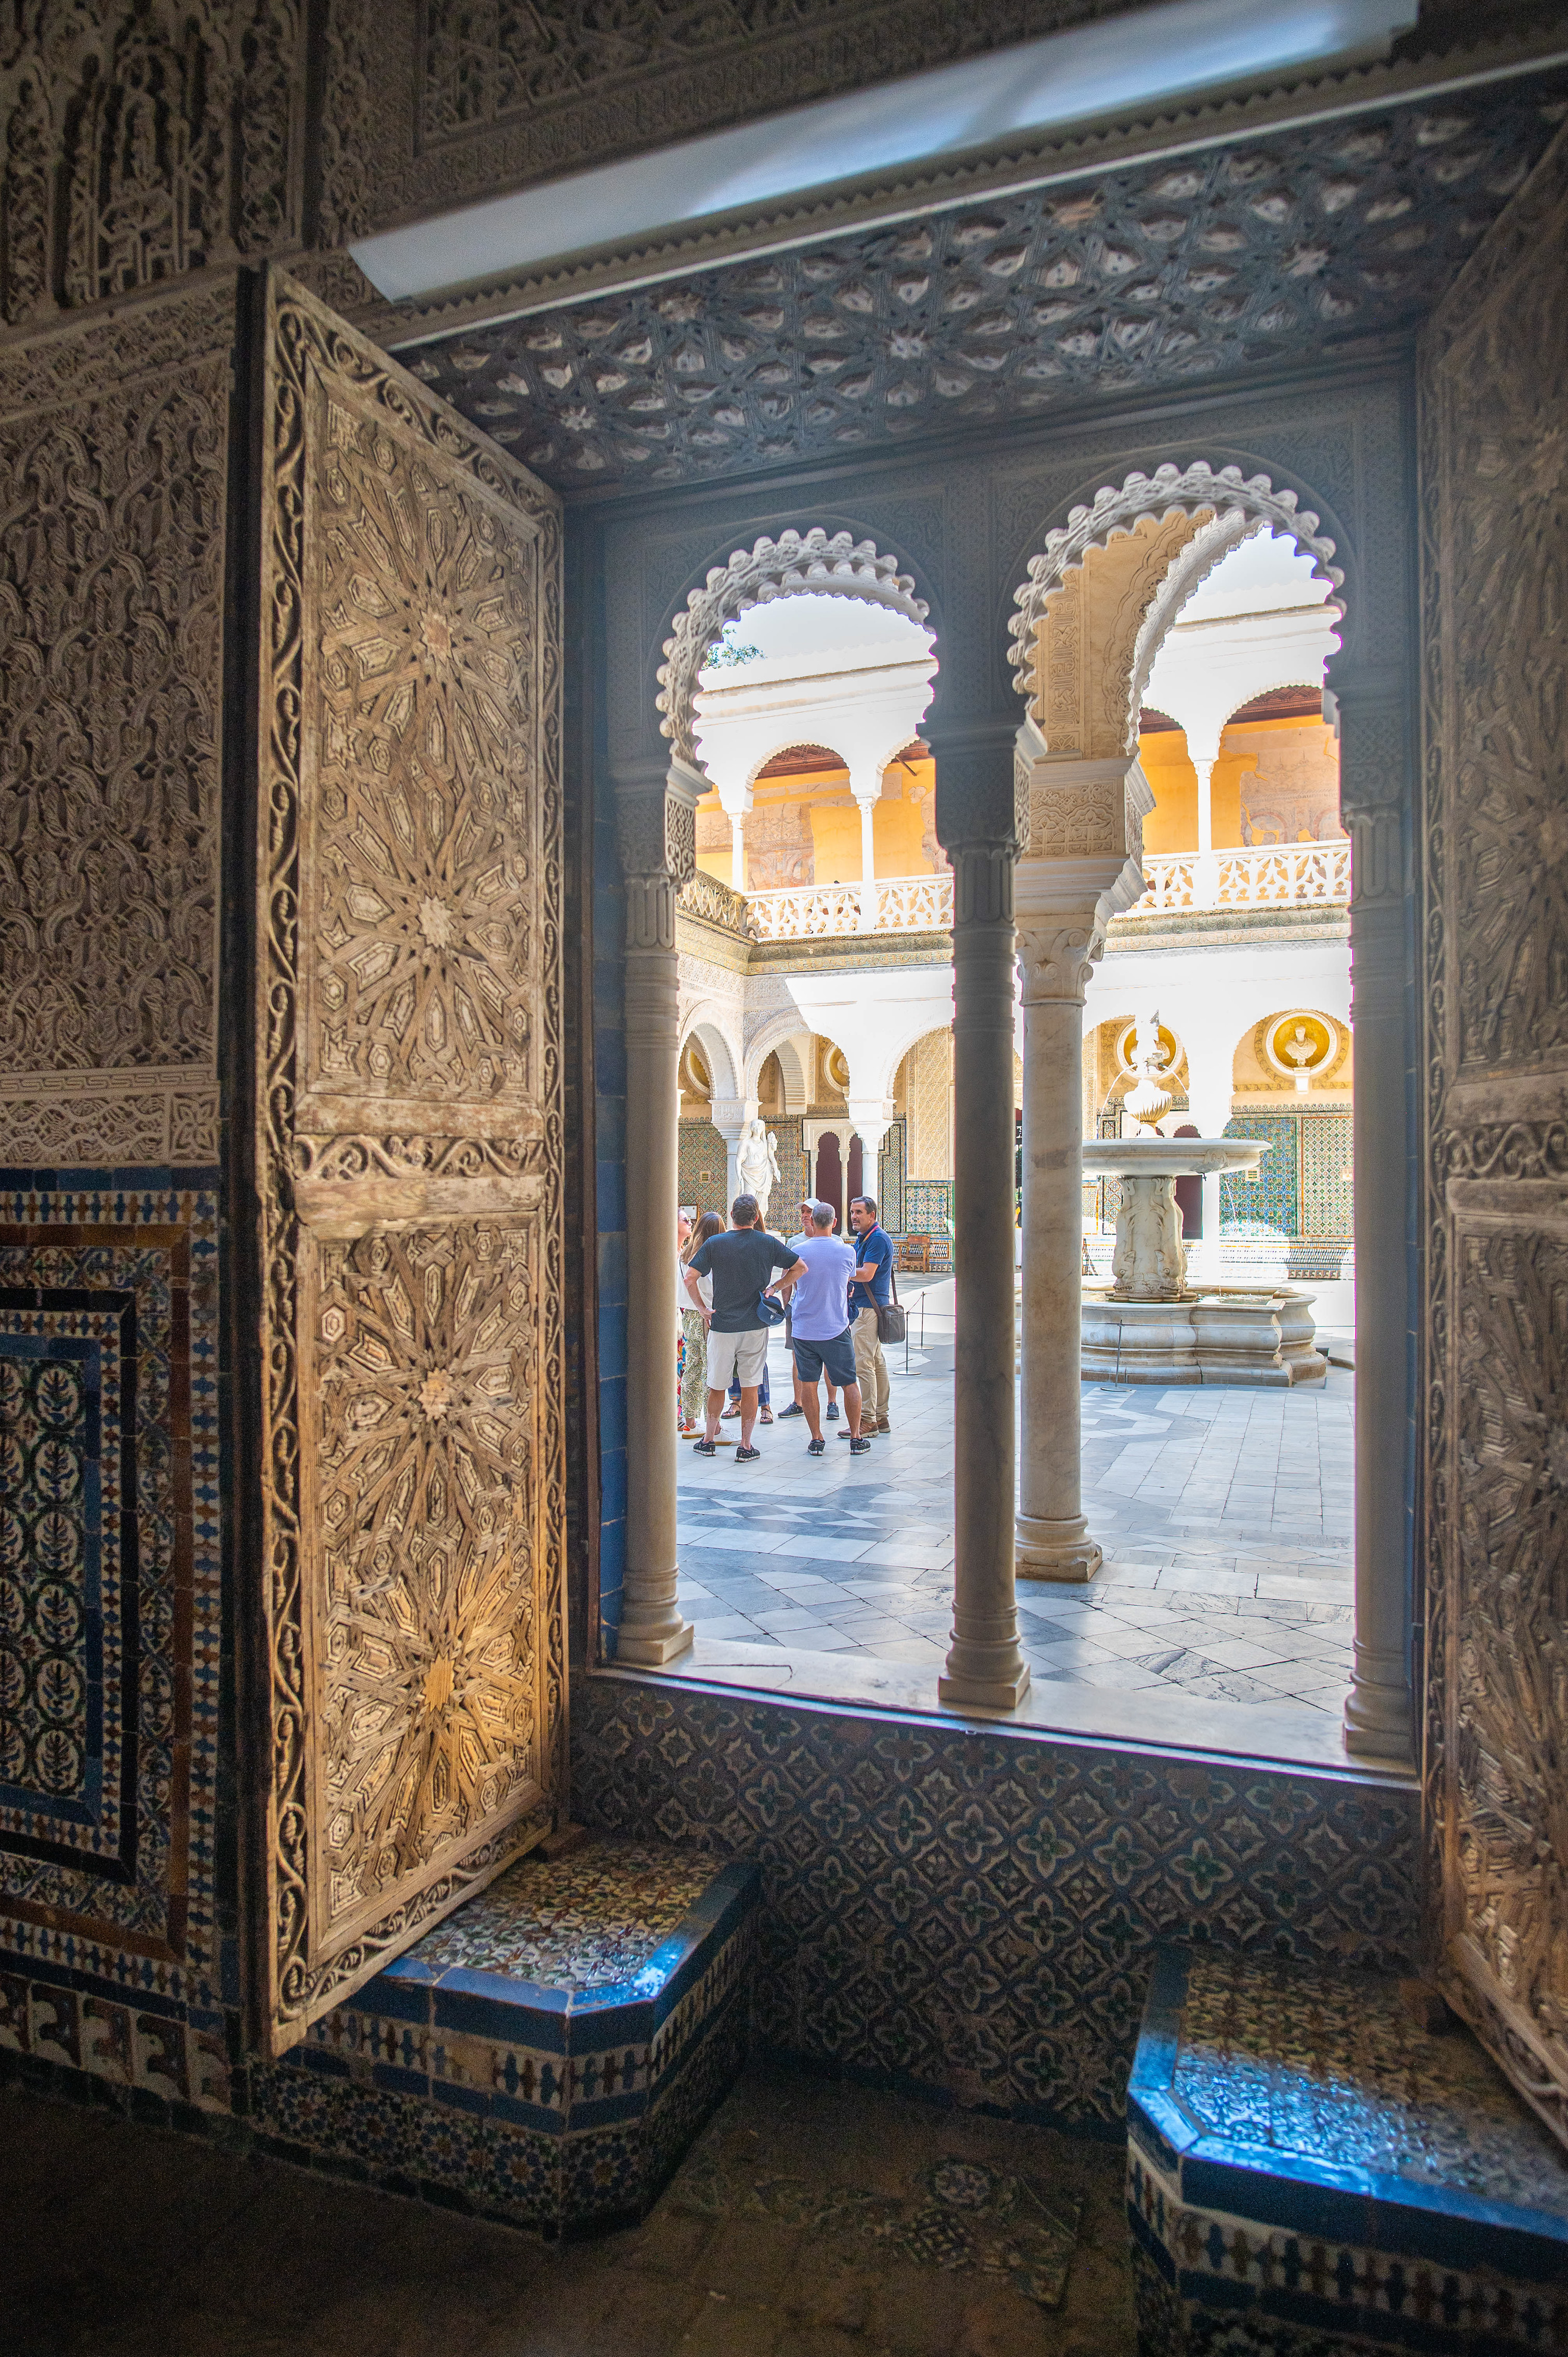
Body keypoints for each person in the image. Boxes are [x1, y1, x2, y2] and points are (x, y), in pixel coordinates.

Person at [684, 1195, 805, 1463]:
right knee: (751, 1385)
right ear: (756, 1217)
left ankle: (708, 1441)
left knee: (716, 1384)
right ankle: (746, 1446)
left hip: (722, 1325)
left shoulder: (716, 1243)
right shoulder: (768, 1243)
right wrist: (775, 1288)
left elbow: (690, 1278)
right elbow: (800, 1267)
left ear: (731, 1215)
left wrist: (703, 1309)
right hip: (755, 1325)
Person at [787, 1201, 870, 1457]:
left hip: (804, 1329)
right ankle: (856, 1438)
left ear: (812, 1221)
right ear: (834, 1222)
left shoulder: (799, 1251)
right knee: (849, 1383)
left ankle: (816, 1439)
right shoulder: (847, 1252)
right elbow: (845, 1281)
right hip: (835, 1326)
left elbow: (794, 1285)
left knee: (809, 1384)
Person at [777, 1197, 840, 1423]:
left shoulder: (837, 1242)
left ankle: (832, 1403)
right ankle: (799, 1402)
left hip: (828, 1309)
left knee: (830, 1359)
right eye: (802, 1212)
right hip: (800, 1308)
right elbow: (787, 1275)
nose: (805, 1215)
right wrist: (786, 1306)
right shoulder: (795, 1243)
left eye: (809, 1212)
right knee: (798, 1358)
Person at [845, 1193, 894, 1437]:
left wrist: (842, 1270)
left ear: (872, 1215)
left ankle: (868, 1419)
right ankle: (881, 1416)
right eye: (852, 1212)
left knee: (863, 1363)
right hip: (870, 1306)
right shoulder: (866, 1237)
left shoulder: (876, 1239)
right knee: (876, 1362)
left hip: (868, 1308)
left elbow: (866, 1274)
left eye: (859, 1213)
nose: (853, 1217)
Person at [679, 1211, 723, 1436]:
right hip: (706, 1315)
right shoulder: (710, 1255)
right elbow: (709, 1287)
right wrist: (705, 1309)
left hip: (688, 1315)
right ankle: (713, 1427)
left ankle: (690, 1422)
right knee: (710, 1371)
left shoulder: (685, 1254)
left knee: (693, 1367)